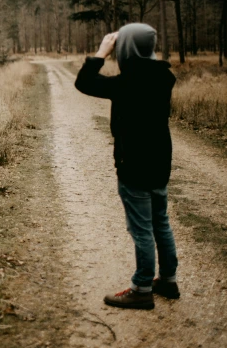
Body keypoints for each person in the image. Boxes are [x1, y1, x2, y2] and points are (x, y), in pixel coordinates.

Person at [75, 23, 180, 310]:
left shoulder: (125, 83)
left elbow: (84, 82)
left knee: (142, 229)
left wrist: (101, 52)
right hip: (160, 163)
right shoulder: (164, 77)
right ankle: (168, 281)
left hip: (134, 166)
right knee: (161, 223)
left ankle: (142, 288)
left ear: (125, 49)